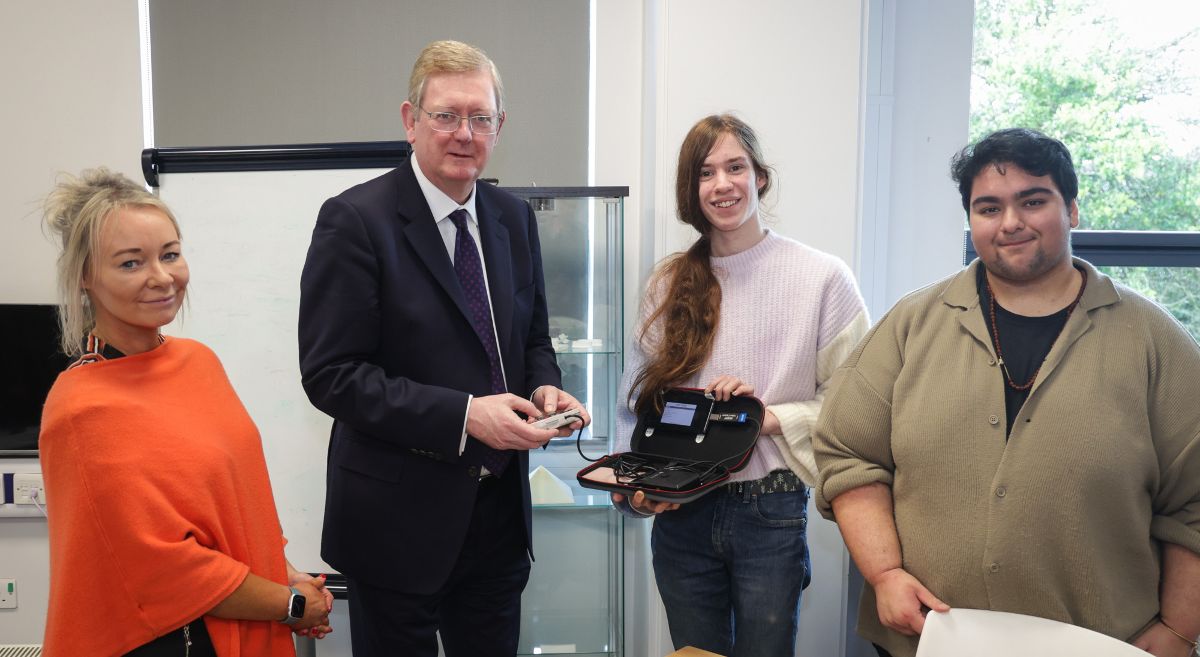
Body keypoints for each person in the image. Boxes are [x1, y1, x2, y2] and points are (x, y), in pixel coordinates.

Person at [814, 128, 1200, 657]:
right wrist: (883, 574)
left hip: (1103, 644)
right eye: (988, 208)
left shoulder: (1156, 343)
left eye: (1033, 201)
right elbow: (847, 451)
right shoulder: (910, 326)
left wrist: (1179, 631)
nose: (1011, 223)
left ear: (1073, 209)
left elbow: (1195, 504)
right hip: (927, 638)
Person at [297, 40, 589, 657]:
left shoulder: (513, 218)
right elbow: (332, 375)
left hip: (498, 519)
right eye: (446, 115)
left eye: (481, 118)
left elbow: (532, 339)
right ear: (410, 120)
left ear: (499, 126)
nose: (465, 133)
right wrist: (464, 415)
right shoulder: (354, 221)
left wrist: (544, 386)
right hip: (395, 525)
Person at [38, 168, 332, 657]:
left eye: (170, 254)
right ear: (86, 276)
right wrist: (291, 605)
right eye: (131, 263)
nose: (162, 277)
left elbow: (235, 502)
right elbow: (163, 570)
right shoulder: (81, 410)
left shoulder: (198, 361)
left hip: (239, 618)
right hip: (173, 642)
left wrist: (286, 574)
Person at [613, 114, 869, 657]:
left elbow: (857, 408)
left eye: (736, 167)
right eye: (706, 173)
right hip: (681, 511)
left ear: (761, 178)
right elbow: (634, 403)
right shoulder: (668, 282)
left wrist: (765, 416)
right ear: (692, 190)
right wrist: (632, 487)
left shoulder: (823, 278)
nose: (723, 184)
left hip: (769, 510)